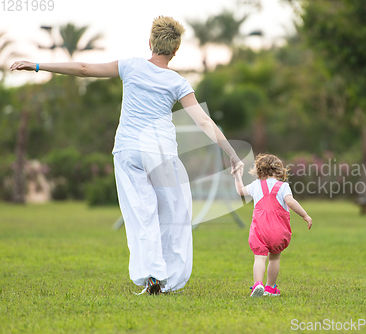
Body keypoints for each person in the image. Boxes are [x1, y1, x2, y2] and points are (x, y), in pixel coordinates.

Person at [11, 16, 243, 295]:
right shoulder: (178, 81)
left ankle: (152, 275)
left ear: (150, 43)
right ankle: (166, 276)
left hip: (127, 151)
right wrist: (232, 154)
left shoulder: (131, 66)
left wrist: (37, 65)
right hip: (161, 154)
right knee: (174, 216)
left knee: (141, 215)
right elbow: (204, 122)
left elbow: (84, 68)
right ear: (176, 50)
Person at [234, 153, 312, 297]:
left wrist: (237, 176)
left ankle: (258, 284)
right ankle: (270, 288)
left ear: (259, 171)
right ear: (279, 170)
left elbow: (240, 191)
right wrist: (305, 215)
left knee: (259, 258)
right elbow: (290, 202)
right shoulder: (283, 186)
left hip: (259, 230)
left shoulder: (256, 185)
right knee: (274, 258)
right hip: (278, 230)